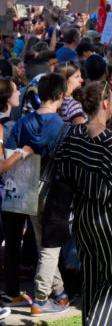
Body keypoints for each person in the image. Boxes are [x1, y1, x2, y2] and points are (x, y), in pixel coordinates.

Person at [57, 80, 112, 325]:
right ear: (105, 103)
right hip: (105, 218)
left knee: (91, 278)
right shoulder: (110, 140)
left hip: (81, 214)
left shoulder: (73, 133)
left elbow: (63, 168)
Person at [7, 73, 70, 316]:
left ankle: (61, 294)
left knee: (44, 243)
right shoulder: (63, 128)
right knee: (49, 247)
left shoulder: (22, 123)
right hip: (55, 192)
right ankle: (41, 299)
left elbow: (13, 153)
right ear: (60, 96)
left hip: (28, 190)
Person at [0, 77, 35, 317]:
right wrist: (23, 153)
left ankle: (11, 290)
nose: (19, 93)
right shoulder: (3, 126)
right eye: (15, 90)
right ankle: (10, 292)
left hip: (9, 192)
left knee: (12, 242)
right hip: (7, 191)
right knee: (10, 241)